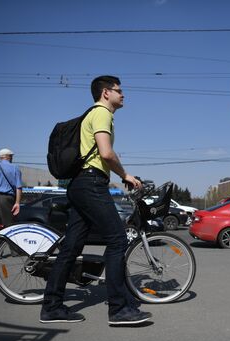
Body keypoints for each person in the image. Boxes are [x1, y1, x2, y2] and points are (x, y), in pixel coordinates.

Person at [40, 75, 152, 325]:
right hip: (90, 184)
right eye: (118, 90)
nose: (123, 95)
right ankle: (119, 309)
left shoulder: (92, 115)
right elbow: (106, 153)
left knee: (71, 247)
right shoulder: (102, 113)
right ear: (105, 93)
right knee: (117, 239)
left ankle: (51, 306)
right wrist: (126, 175)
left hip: (81, 184)